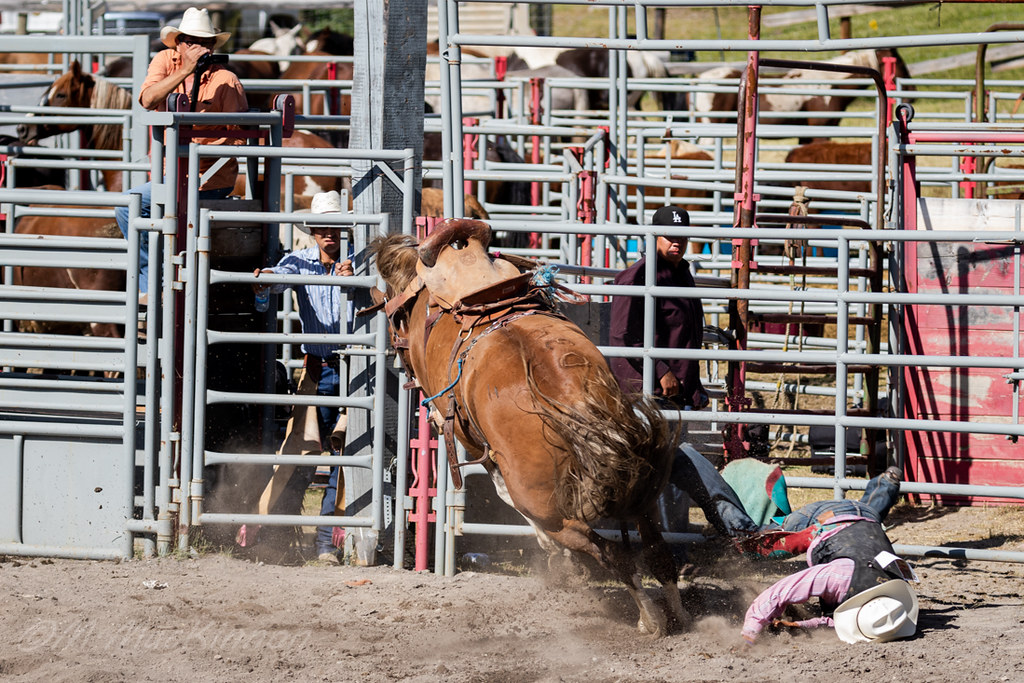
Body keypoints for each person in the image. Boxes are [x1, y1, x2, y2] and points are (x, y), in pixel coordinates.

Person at [115, 7, 247, 301]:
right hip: (170, 175)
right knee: (130, 207)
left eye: (207, 43)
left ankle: (162, 286)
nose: (202, 48)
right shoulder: (164, 61)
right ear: (180, 43)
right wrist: (187, 69)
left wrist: (206, 154)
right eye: (193, 41)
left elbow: (240, 136)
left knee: (146, 208)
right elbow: (148, 99)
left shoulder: (227, 79)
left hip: (210, 178)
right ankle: (152, 287)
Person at [253, 190, 354, 564]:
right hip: (322, 369)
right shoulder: (298, 262)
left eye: (336, 227)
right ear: (312, 230)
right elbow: (278, 281)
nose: (330, 233)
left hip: (355, 368)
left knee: (344, 457)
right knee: (304, 455)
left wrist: (359, 281)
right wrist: (266, 281)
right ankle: (279, 538)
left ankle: (326, 544)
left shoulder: (358, 261)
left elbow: (381, 296)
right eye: (323, 227)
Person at [741, 513, 919, 645]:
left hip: (872, 524)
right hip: (831, 519)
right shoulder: (837, 577)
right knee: (761, 544)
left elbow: (837, 623)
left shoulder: (893, 603)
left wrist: (798, 624)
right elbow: (780, 591)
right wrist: (750, 633)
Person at [609, 205, 708, 410]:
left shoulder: (681, 273)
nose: (677, 241)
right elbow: (621, 335)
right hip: (647, 392)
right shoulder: (637, 277)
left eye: (682, 235)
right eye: (669, 235)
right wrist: (661, 371)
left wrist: (691, 383)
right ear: (654, 237)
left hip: (675, 390)